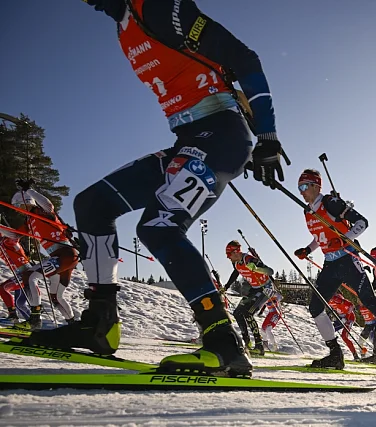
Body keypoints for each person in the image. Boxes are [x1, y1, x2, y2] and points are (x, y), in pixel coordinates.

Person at [31, 0, 287, 378]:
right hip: (188, 140)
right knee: (93, 205)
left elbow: (243, 57)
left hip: (221, 135)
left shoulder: (157, 6)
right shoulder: (123, 25)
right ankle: (99, 324)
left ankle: (224, 345)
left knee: (159, 226)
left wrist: (266, 136)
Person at [293, 169, 376, 369]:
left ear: (317, 186)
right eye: (298, 188)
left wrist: (347, 239)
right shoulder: (307, 210)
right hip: (330, 264)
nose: (301, 192)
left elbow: (362, 222)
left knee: (372, 304)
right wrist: (308, 249)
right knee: (315, 308)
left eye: (304, 187)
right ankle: (335, 355)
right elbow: (321, 235)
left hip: (348, 260)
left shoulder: (330, 203)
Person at [11, 184, 78, 328]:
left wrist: (29, 190)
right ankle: (72, 325)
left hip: (65, 254)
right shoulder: (29, 222)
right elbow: (14, 235)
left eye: (19, 206)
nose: (19, 210)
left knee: (30, 276)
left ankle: (35, 318)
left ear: (26, 203)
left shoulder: (41, 212)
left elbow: (48, 205)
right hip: (61, 258)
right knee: (56, 297)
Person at [222, 241, 275, 356]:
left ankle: (259, 346)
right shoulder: (236, 263)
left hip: (265, 288)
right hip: (255, 289)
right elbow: (235, 273)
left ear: (236, 252)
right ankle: (246, 342)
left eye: (229, 255)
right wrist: (225, 287)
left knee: (248, 313)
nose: (228, 258)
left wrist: (256, 269)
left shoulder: (249, 260)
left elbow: (270, 271)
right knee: (237, 312)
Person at [328, 291, 360, 361]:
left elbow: (351, 305)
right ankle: (334, 352)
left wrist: (347, 317)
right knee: (329, 332)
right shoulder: (328, 299)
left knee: (344, 336)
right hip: (340, 318)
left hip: (349, 319)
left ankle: (355, 355)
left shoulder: (337, 298)